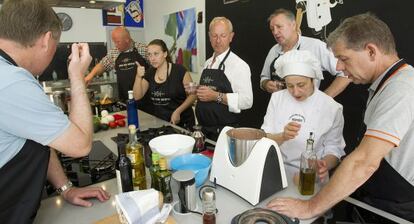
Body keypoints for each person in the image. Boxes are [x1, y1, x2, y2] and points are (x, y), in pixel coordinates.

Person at [267, 13, 414, 222]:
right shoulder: (384, 86)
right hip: (376, 198)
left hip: (396, 206)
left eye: (344, 59)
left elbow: (363, 162)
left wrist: (310, 208)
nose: (338, 68)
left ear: (371, 51)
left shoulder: (400, 89)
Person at [0, 0, 109, 222]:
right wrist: (77, 76)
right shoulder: (11, 81)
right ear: (47, 39)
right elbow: (80, 145)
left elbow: (39, 136)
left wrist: (66, 188)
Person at [262, 50, 345, 180]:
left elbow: (334, 149)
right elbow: (264, 138)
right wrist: (282, 136)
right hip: (276, 171)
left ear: (313, 80)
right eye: (290, 86)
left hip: (309, 176)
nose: (295, 92)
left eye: (301, 85)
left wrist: (323, 165)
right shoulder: (277, 98)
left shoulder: (332, 107)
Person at [260, 8, 351, 98]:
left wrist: (325, 98)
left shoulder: (315, 46)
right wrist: (266, 84)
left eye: (279, 27)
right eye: (272, 29)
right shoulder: (273, 50)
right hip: (280, 106)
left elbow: (345, 73)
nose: (275, 32)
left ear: (293, 25)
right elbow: (264, 78)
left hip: (309, 109)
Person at [193, 17, 253, 141]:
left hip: (225, 133)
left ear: (231, 37)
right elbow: (207, 92)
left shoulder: (239, 65)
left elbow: (247, 101)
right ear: (209, 37)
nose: (218, 40)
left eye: (223, 35)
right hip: (204, 130)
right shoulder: (207, 63)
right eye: (214, 36)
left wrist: (216, 96)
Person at [133, 39, 196, 129]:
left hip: (183, 123)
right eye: (149, 55)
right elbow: (137, 96)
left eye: (156, 54)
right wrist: (138, 77)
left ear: (165, 54)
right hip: (162, 123)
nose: (152, 58)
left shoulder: (180, 70)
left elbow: (193, 95)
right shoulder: (150, 73)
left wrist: (178, 111)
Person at [84, 26, 149, 102]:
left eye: (118, 42)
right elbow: (102, 65)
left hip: (144, 97)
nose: (116, 45)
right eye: (114, 42)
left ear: (127, 39)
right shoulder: (114, 52)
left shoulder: (143, 49)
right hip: (124, 98)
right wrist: (91, 75)